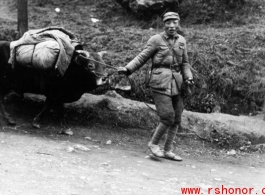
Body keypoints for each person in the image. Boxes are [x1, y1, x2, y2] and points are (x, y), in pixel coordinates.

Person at [118, 12, 193, 161]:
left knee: (177, 118)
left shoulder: (182, 41)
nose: (171, 26)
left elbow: (185, 63)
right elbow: (141, 57)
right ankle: (153, 144)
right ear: (163, 24)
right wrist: (127, 69)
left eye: (174, 23)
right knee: (167, 117)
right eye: (168, 23)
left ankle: (168, 150)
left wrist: (188, 77)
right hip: (160, 82)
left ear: (178, 24)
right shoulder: (155, 40)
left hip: (177, 83)